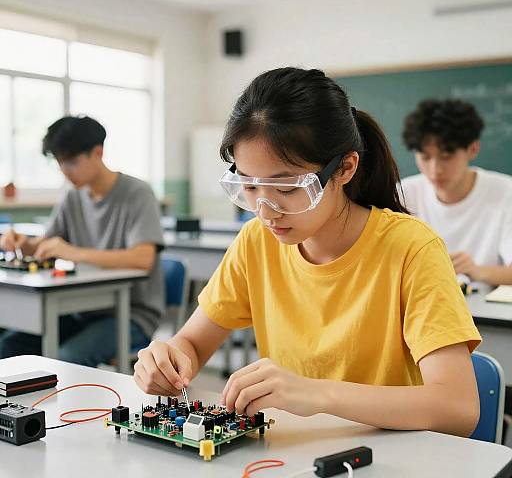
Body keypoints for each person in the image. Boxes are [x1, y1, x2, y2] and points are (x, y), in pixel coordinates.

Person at [134, 68, 480, 436]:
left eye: (286, 187)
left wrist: (319, 395)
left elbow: (457, 408)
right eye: (249, 186)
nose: (265, 211)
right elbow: (191, 343)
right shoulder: (256, 241)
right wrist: (169, 359)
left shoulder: (411, 248)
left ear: (345, 167)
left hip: (392, 455)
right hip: (291, 451)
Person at [0, 115, 165, 366]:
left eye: (72, 162)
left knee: (66, 359)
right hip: (80, 309)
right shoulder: (72, 196)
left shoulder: (137, 193)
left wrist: (71, 252)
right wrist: (24, 243)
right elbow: (49, 243)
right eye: (60, 164)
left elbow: (143, 259)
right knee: (10, 345)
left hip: (130, 314)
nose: (66, 172)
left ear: (97, 152)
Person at [401, 99, 512, 287]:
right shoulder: (403, 194)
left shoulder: (506, 192)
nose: (435, 169)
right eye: (425, 157)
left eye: (446, 156)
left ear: (473, 149)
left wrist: (476, 271)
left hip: (485, 312)